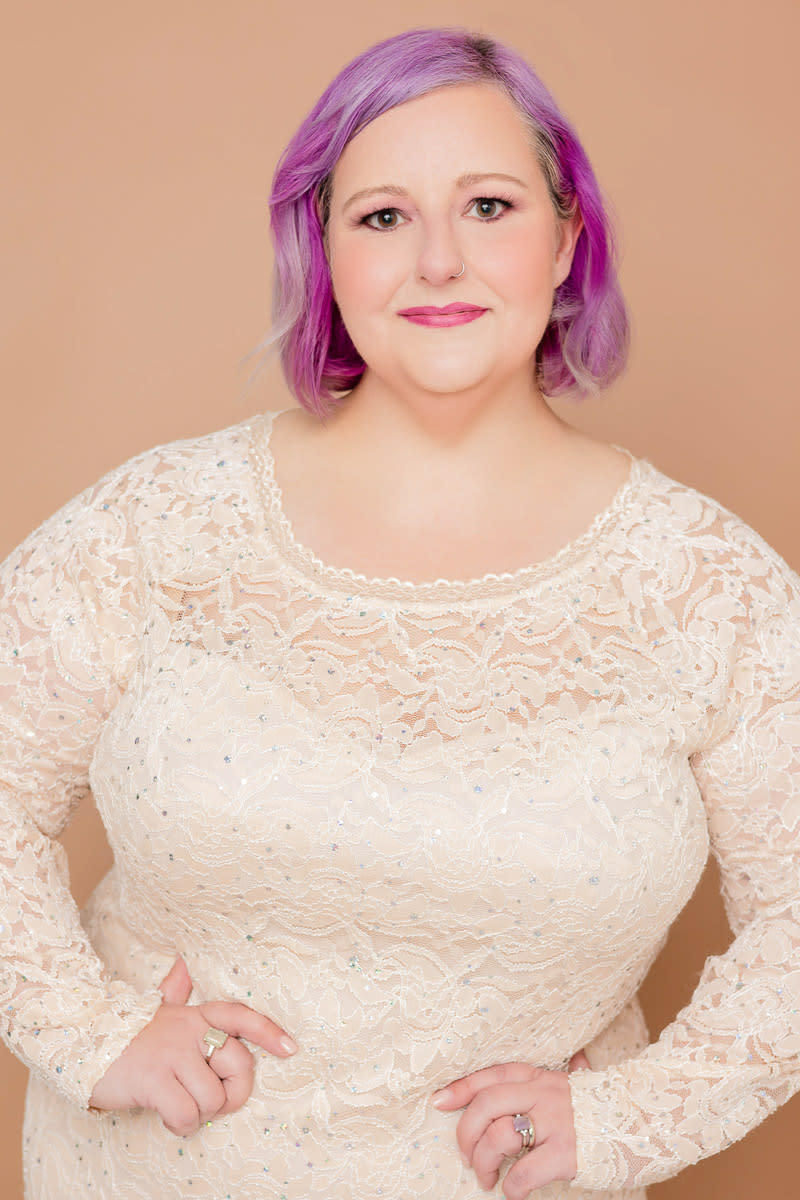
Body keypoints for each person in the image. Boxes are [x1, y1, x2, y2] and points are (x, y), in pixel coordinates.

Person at [1, 23, 799, 1200]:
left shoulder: (706, 586)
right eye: (382, 216)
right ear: (322, 249)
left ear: (567, 232)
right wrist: (83, 1032)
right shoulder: (158, 525)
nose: (438, 261)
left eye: (487, 207)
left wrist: (630, 1120)